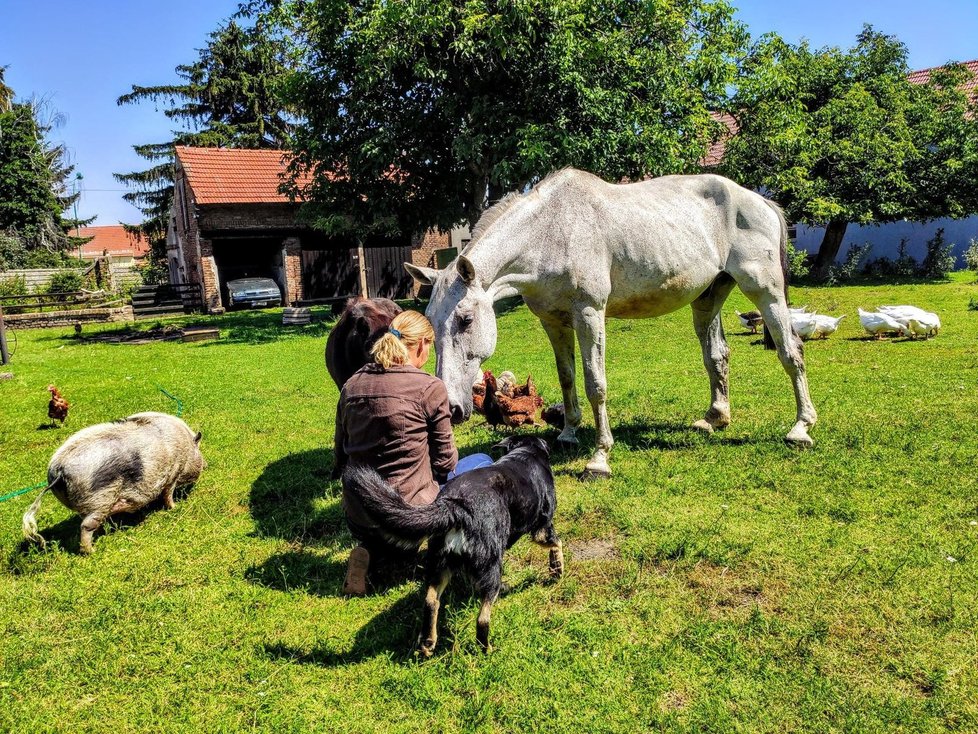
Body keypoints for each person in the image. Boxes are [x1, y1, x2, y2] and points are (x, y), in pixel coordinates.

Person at [334, 310, 491, 595]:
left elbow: (341, 457)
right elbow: (446, 462)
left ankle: (371, 550)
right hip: (409, 517)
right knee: (484, 463)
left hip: (359, 515)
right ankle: (450, 551)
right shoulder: (428, 387)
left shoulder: (351, 386)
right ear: (421, 345)